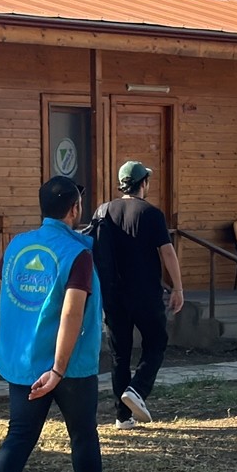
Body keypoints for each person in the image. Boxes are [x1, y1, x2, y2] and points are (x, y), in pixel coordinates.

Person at [0, 176, 126, 472]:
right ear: (75, 209)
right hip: (69, 367)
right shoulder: (77, 253)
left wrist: (27, 312)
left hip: (23, 363)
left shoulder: (18, 245)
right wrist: (58, 368)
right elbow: (72, 313)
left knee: (19, 436)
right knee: (82, 435)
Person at [92, 160, 184, 429]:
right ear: (144, 183)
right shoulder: (151, 213)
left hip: (113, 294)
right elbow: (167, 252)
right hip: (145, 293)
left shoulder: (103, 211)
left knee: (120, 355)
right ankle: (137, 389)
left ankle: (123, 417)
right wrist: (177, 287)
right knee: (156, 343)